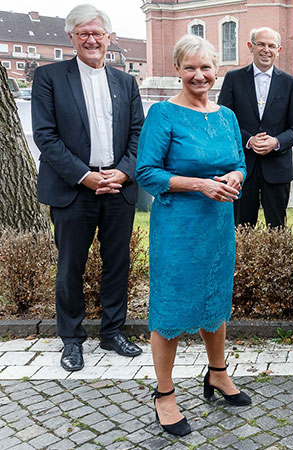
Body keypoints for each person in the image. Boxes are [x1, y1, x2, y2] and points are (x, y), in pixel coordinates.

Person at [136, 35, 251, 437]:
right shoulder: (163, 115)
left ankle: (217, 373)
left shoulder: (227, 116)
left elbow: (239, 160)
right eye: (190, 68)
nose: (198, 75)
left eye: (205, 67)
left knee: (215, 299)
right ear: (177, 70)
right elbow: (147, 173)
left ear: (216, 69)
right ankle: (164, 394)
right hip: (178, 228)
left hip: (218, 226)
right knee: (170, 308)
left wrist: (236, 175)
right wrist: (201, 185)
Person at [31, 4, 144, 372]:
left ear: (109, 37)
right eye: (84, 33)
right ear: (72, 38)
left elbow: (138, 134)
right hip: (73, 189)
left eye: (98, 33)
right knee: (70, 267)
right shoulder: (49, 77)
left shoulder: (126, 81)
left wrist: (123, 173)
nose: (92, 39)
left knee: (117, 264)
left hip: (117, 188)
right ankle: (72, 340)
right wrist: (85, 175)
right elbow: (46, 137)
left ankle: (113, 332)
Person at [217, 27, 293, 228]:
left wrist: (276, 142)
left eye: (271, 46)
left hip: (277, 168)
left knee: (277, 231)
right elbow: (224, 122)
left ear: (279, 50)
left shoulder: (291, 83)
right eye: (261, 44)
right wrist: (248, 140)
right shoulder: (233, 78)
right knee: (241, 228)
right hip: (242, 168)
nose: (266, 50)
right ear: (251, 46)